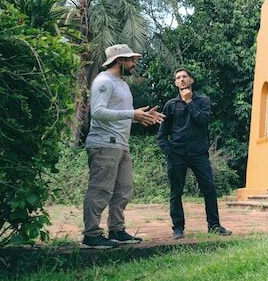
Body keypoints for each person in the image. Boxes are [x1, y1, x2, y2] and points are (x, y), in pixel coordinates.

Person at [81, 44, 165, 249]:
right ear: (119, 61)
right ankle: (91, 235)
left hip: (120, 144)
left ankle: (117, 230)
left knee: (123, 190)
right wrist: (132, 114)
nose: (134, 63)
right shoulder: (103, 81)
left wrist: (141, 117)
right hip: (104, 144)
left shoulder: (122, 84)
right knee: (100, 189)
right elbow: (99, 112)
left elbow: (120, 114)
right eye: (131, 60)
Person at [157, 68, 232, 239]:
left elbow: (203, 120)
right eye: (178, 78)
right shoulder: (170, 105)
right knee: (176, 191)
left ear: (191, 80)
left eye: (185, 77)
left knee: (210, 189)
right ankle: (178, 228)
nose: (181, 80)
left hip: (199, 154)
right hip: (177, 154)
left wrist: (190, 102)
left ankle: (214, 225)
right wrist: (170, 152)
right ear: (175, 83)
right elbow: (162, 135)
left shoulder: (203, 101)